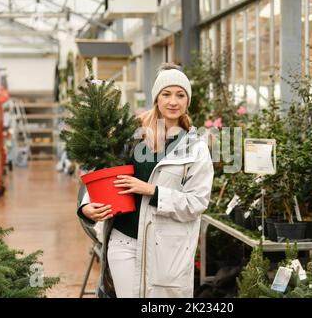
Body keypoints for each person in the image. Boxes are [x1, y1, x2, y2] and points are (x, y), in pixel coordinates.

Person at [77, 63, 214, 298]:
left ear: (187, 101)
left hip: (166, 250)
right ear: (156, 98)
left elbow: (197, 202)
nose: (173, 101)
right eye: (166, 94)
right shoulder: (133, 135)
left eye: (180, 95)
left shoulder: (196, 148)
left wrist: (152, 191)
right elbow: (106, 169)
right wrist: (86, 206)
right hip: (124, 242)